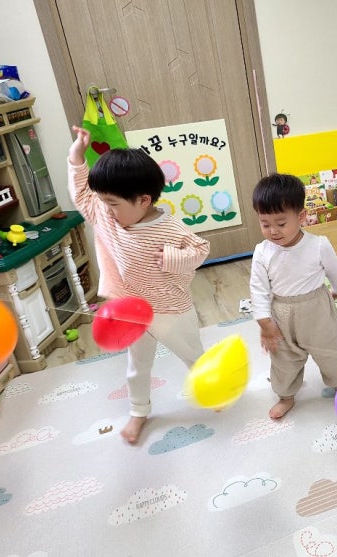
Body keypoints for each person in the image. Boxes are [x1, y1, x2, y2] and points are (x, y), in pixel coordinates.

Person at [68, 126, 211, 444]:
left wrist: (173, 258)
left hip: (172, 309)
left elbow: (201, 250)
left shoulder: (170, 228)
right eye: (103, 202)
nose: (105, 209)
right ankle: (138, 411)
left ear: (144, 200)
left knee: (194, 357)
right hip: (132, 311)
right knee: (137, 367)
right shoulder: (106, 216)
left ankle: (213, 388)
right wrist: (77, 156)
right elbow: (81, 193)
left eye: (113, 203)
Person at [249, 173, 337, 419]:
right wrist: (265, 322)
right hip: (281, 312)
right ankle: (286, 396)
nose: (273, 231)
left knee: (331, 353)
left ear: (301, 216)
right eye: (265, 224)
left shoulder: (318, 244)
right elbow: (258, 289)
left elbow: (335, 272)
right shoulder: (262, 252)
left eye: (281, 223)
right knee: (283, 358)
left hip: (316, 308)